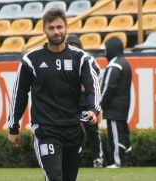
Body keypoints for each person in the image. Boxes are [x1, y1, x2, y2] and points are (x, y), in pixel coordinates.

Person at [7, 8, 101, 181]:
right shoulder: (31, 60)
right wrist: (14, 127)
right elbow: (19, 94)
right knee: (55, 177)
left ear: (66, 27)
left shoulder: (80, 58)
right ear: (44, 30)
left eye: (59, 27)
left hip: (73, 129)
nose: (56, 32)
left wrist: (93, 109)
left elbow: (92, 85)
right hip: (45, 130)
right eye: (51, 28)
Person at [66, 34, 104, 168]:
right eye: (71, 46)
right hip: (71, 105)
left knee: (93, 132)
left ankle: (98, 159)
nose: (74, 49)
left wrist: (88, 86)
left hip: (87, 104)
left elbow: (99, 76)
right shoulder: (63, 59)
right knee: (72, 133)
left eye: (76, 47)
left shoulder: (89, 59)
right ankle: (73, 159)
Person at [100, 36, 132, 168]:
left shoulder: (114, 65)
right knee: (123, 133)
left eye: (107, 49)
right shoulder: (124, 62)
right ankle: (127, 160)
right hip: (123, 105)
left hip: (114, 107)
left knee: (116, 135)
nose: (105, 52)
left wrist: (101, 103)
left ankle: (118, 161)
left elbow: (108, 87)